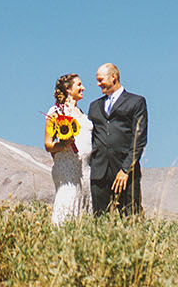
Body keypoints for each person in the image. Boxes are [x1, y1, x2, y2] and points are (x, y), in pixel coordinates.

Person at [87, 62, 147, 216]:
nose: (98, 84)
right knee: (99, 221)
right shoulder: (94, 106)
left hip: (125, 172)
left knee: (130, 218)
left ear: (113, 77)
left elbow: (139, 139)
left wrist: (126, 169)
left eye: (101, 80)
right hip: (99, 173)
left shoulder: (136, 102)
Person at [44, 72, 93, 224]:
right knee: (67, 202)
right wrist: (64, 144)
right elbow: (48, 145)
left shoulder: (83, 113)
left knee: (84, 208)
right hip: (67, 167)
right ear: (68, 89)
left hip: (85, 169)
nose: (83, 88)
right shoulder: (56, 112)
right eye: (79, 85)